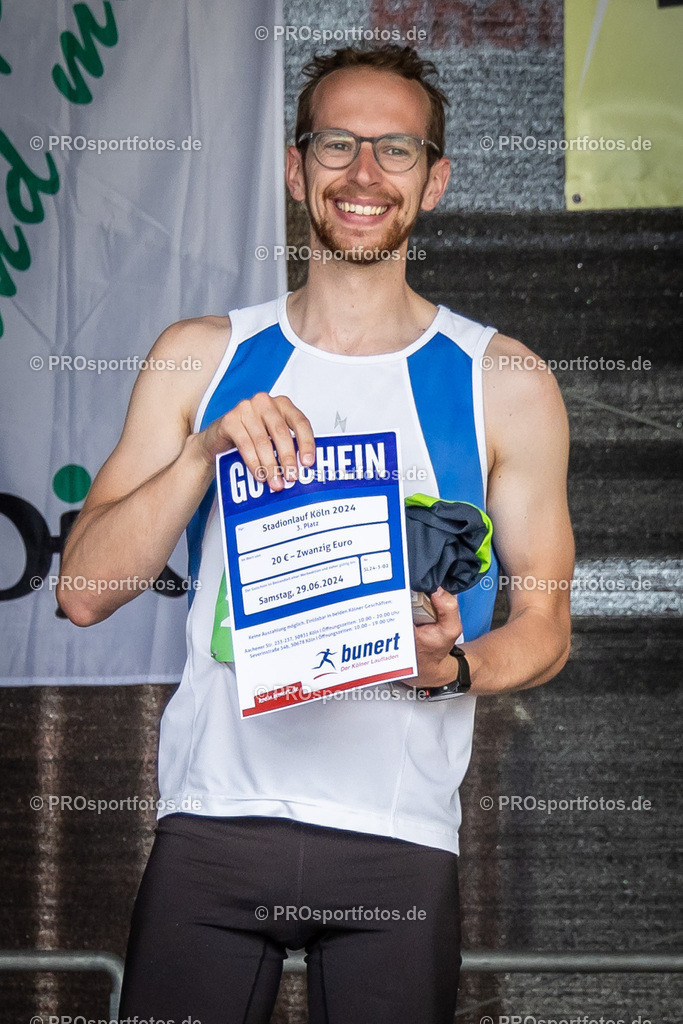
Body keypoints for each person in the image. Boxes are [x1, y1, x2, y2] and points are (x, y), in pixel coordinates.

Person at [59, 44, 573, 1024]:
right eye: (337, 144)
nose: (363, 174)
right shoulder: (199, 358)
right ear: (295, 170)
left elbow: (544, 623)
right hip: (215, 819)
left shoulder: (501, 381)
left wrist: (450, 672)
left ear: (434, 180)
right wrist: (202, 454)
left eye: (394, 149)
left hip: (395, 831)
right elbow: (83, 591)